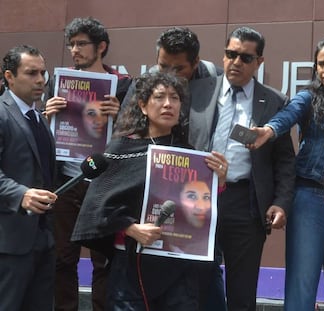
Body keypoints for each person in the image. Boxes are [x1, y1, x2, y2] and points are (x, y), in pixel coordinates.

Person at [71, 71, 228, 310]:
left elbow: (200, 209)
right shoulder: (121, 149)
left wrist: (220, 181)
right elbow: (98, 205)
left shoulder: (191, 155)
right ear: (143, 106)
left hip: (180, 271)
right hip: (132, 267)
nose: (168, 104)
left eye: (174, 98)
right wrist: (131, 228)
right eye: (160, 97)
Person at [188, 26, 296, 311]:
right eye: (231, 54)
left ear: (259, 62)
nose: (236, 62)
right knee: (194, 283)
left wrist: (281, 202)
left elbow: (285, 160)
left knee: (242, 291)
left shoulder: (273, 101)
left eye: (245, 58)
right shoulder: (197, 91)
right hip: (196, 196)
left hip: (244, 201)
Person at [249, 37, 324, 310]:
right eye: (320, 63)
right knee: (302, 282)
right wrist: (270, 130)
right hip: (310, 196)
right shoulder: (308, 96)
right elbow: (288, 115)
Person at [44, 17, 132, 311]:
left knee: (105, 260)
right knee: (62, 259)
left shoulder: (124, 86)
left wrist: (119, 116)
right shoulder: (58, 83)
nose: (75, 50)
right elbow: (42, 137)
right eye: (71, 44)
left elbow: (136, 136)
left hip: (104, 186)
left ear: (101, 46)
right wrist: (48, 116)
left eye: (82, 44)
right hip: (66, 183)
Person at [0, 45, 57, 311]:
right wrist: (21, 195)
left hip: (43, 238)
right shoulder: (2, 114)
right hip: (9, 243)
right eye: (31, 73)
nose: (40, 80)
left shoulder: (40, 118)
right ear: (9, 77)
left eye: (43, 73)